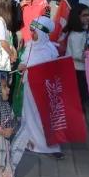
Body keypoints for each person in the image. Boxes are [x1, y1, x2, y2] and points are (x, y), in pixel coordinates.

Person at [12, 16, 64, 167]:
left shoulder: (50, 50)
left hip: (43, 89)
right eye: (31, 31)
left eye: (34, 32)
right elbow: (23, 63)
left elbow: (54, 71)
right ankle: (30, 141)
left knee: (42, 117)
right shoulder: (29, 46)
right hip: (29, 86)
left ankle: (48, 146)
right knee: (29, 115)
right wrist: (21, 67)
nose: (31, 34)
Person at [63, 3, 89, 107]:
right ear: (77, 17)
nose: (88, 18)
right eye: (84, 15)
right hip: (77, 70)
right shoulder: (76, 35)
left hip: (82, 68)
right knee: (80, 97)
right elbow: (76, 55)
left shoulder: (84, 31)